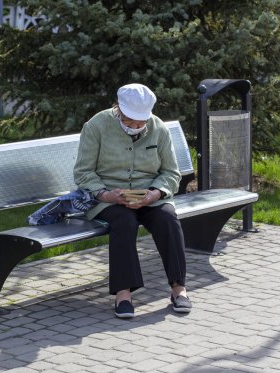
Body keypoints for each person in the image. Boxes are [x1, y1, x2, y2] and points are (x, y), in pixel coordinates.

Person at [74, 83, 192, 318]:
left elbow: (171, 172)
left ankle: (179, 288)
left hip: (150, 195)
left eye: (141, 122)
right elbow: (83, 172)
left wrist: (155, 194)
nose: (136, 127)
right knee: (124, 222)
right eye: (130, 121)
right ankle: (123, 294)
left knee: (168, 219)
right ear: (118, 109)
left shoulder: (158, 128)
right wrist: (106, 194)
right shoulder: (97, 125)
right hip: (108, 197)